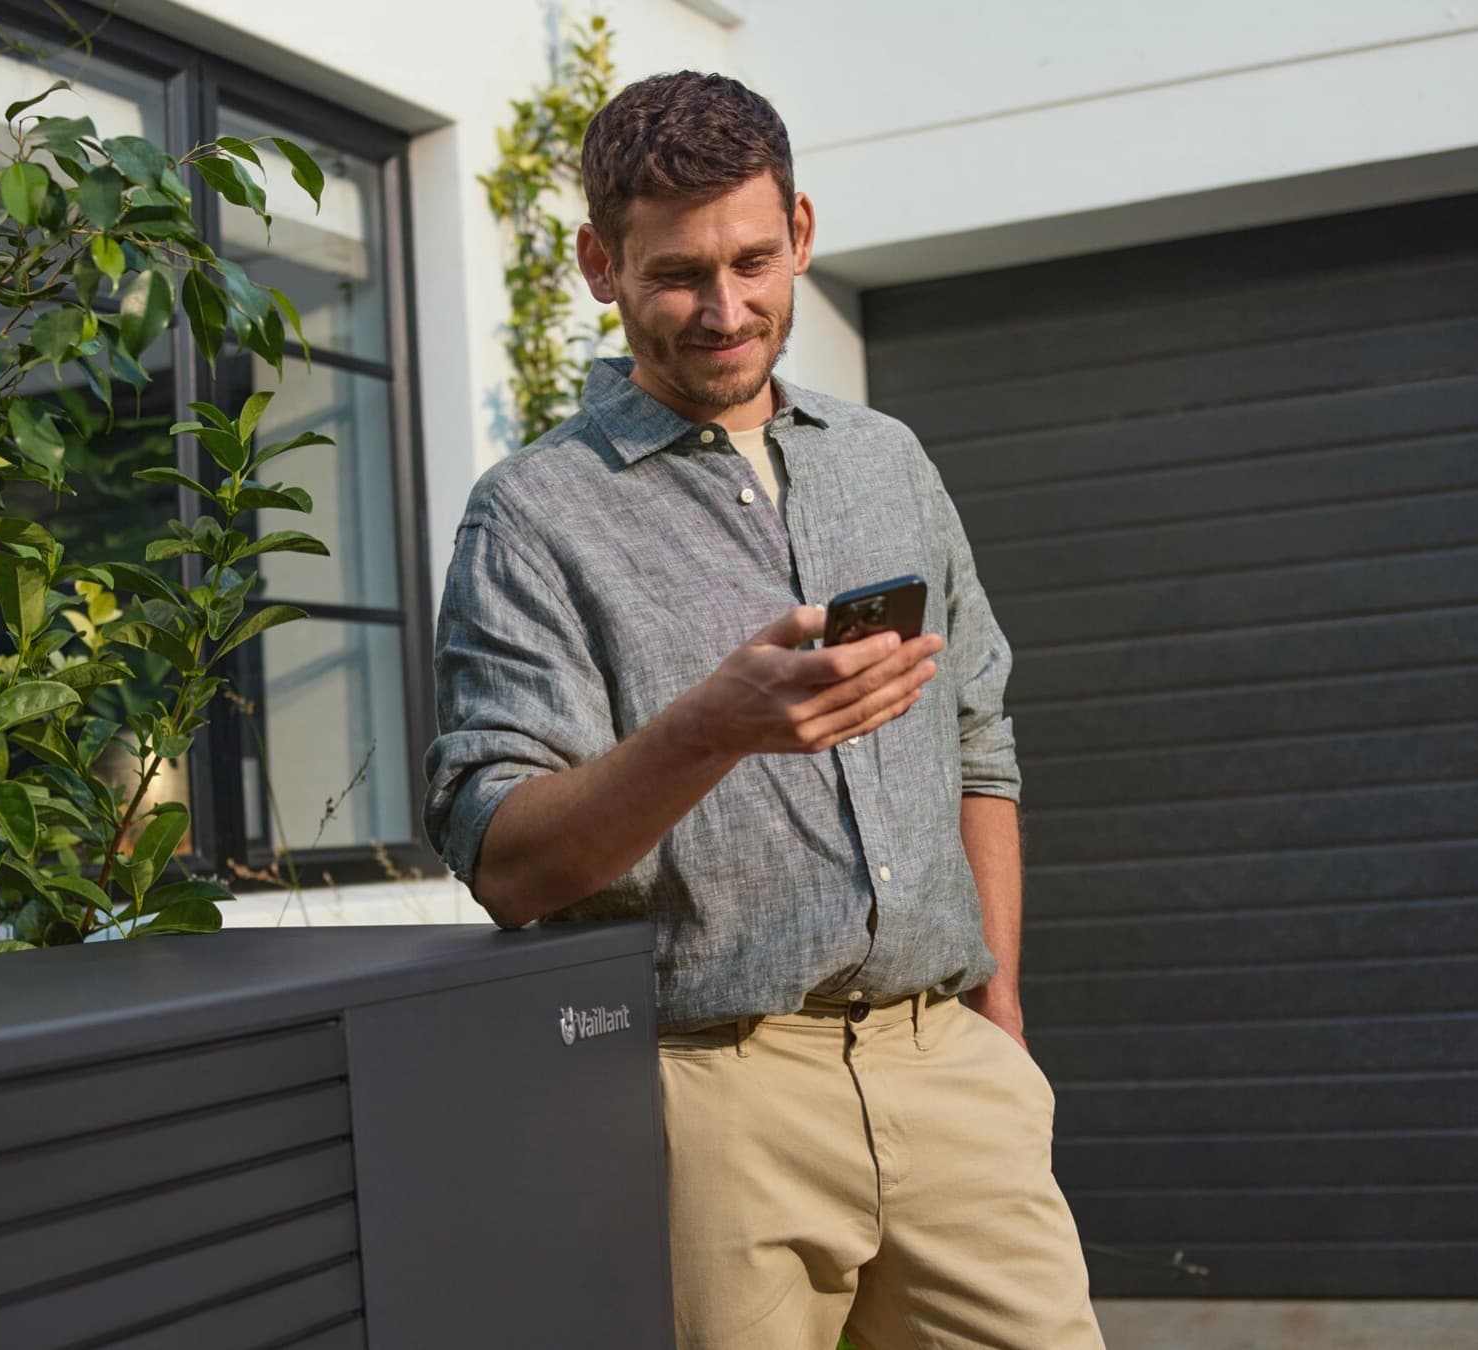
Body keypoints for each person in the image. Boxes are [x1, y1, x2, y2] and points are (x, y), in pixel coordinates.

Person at [424, 70, 1105, 1350]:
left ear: (799, 230)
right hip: (714, 1101)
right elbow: (506, 861)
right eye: (677, 273)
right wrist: (710, 727)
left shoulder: (887, 458)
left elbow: (977, 740)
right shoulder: (532, 518)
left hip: (950, 1072)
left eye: (752, 260)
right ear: (598, 265)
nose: (725, 309)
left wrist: (999, 1020)